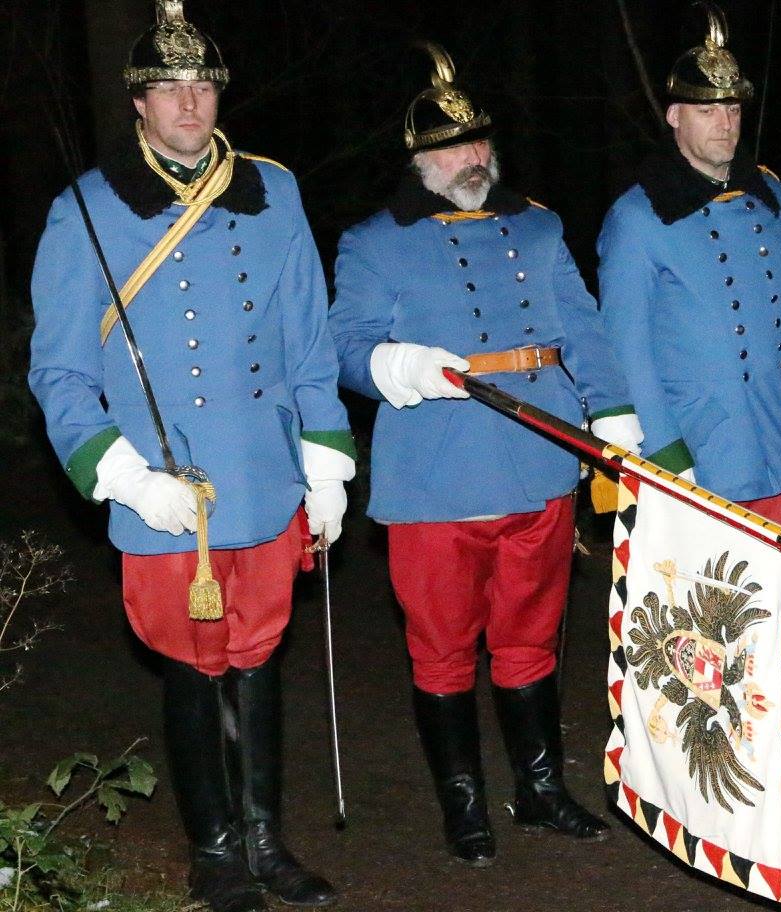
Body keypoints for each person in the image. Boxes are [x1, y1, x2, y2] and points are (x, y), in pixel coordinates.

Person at [28, 3, 351, 910]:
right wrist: (122, 476)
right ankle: (214, 853)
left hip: (263, 475)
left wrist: (326, 461)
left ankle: (267, 844)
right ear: (138, 101)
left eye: (202, 85)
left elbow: (308, 338)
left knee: (258, 657)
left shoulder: (273, 189)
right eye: (167, 88)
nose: (188, 103)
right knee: (190, 661)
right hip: (165, 490)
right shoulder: (87, 210)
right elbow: (58, 370)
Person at [328, 42, 637, 866]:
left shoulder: (538, 225)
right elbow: (344, 345)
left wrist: (612, 412)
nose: (470, 158)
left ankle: (540, 788)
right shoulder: (374, 242)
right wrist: (393, 365)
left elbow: (584, 328)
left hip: (541, 458)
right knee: (442, 646)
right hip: (436, 474)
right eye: (450, 147)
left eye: (477, 142)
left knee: (532, 636)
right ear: (418, 159)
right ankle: (463, 803)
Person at [596, 1, 781, 529]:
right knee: (706, 586)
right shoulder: (637, 216)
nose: (725, 125)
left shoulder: (768, 192)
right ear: (674, 116)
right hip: (700, 445)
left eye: (732, 109)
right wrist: (662, 445)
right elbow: (626, 349)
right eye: (707, 111)